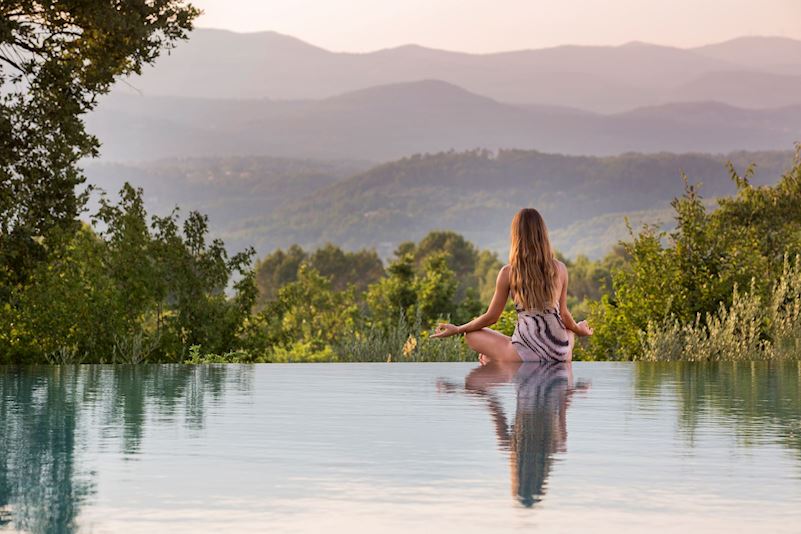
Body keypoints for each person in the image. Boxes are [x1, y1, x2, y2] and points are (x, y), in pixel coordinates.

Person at [431, 208, 592, 362]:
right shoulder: (560, 268)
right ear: (543, 234)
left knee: (470, 335)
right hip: (560, 354)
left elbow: (491, 317)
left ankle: (500, 359)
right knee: (569, 330)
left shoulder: (508, 272)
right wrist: (580, 329)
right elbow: (564, 315)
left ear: (516, 236)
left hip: (525, 356)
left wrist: (458, 329)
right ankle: (510, 354)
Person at [436, 360, 590, 507]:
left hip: (543, 372)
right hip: (550, 369)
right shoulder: (520, 445)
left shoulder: (556, 447)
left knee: (479, 343)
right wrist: (455, 389)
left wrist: (576, 389)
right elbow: (492, 402)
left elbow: (492, 402)